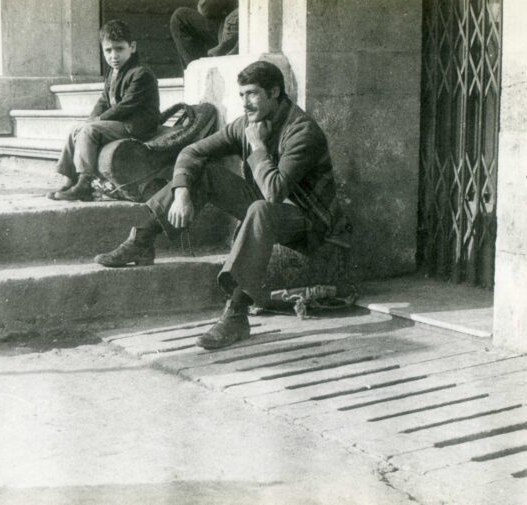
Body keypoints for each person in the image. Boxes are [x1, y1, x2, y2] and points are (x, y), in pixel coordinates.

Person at [94, 61, 344, 350]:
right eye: (241, 95)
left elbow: (274, 193)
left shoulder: (302, 131)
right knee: (207, 173)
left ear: (275, 92)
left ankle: (237, 313)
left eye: (252, 94)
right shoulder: (248, 124)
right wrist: (181, 192)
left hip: (310, 224)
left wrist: (259, 147)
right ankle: (144, 238)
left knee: (261, 208)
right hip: (267, 210)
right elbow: (192, 151)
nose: (245, 103)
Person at [48, 20, 160, 201]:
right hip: (120, 123)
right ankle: (70, 178)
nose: (113, 55)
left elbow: (127, 105)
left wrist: (98, 120)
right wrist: (92, 117)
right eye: (108, 50)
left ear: (132, 47)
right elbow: (104, 100)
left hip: (137, 125)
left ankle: (85, 182)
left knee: (90, 130)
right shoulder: (113, 72)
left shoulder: (140, 73)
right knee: (76, 129)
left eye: (119, 49)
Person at [170, 0, 239, 70]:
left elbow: (205, 8)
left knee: (180, 17)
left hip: (233, 33)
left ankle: (197, 73)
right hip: (236, 32)